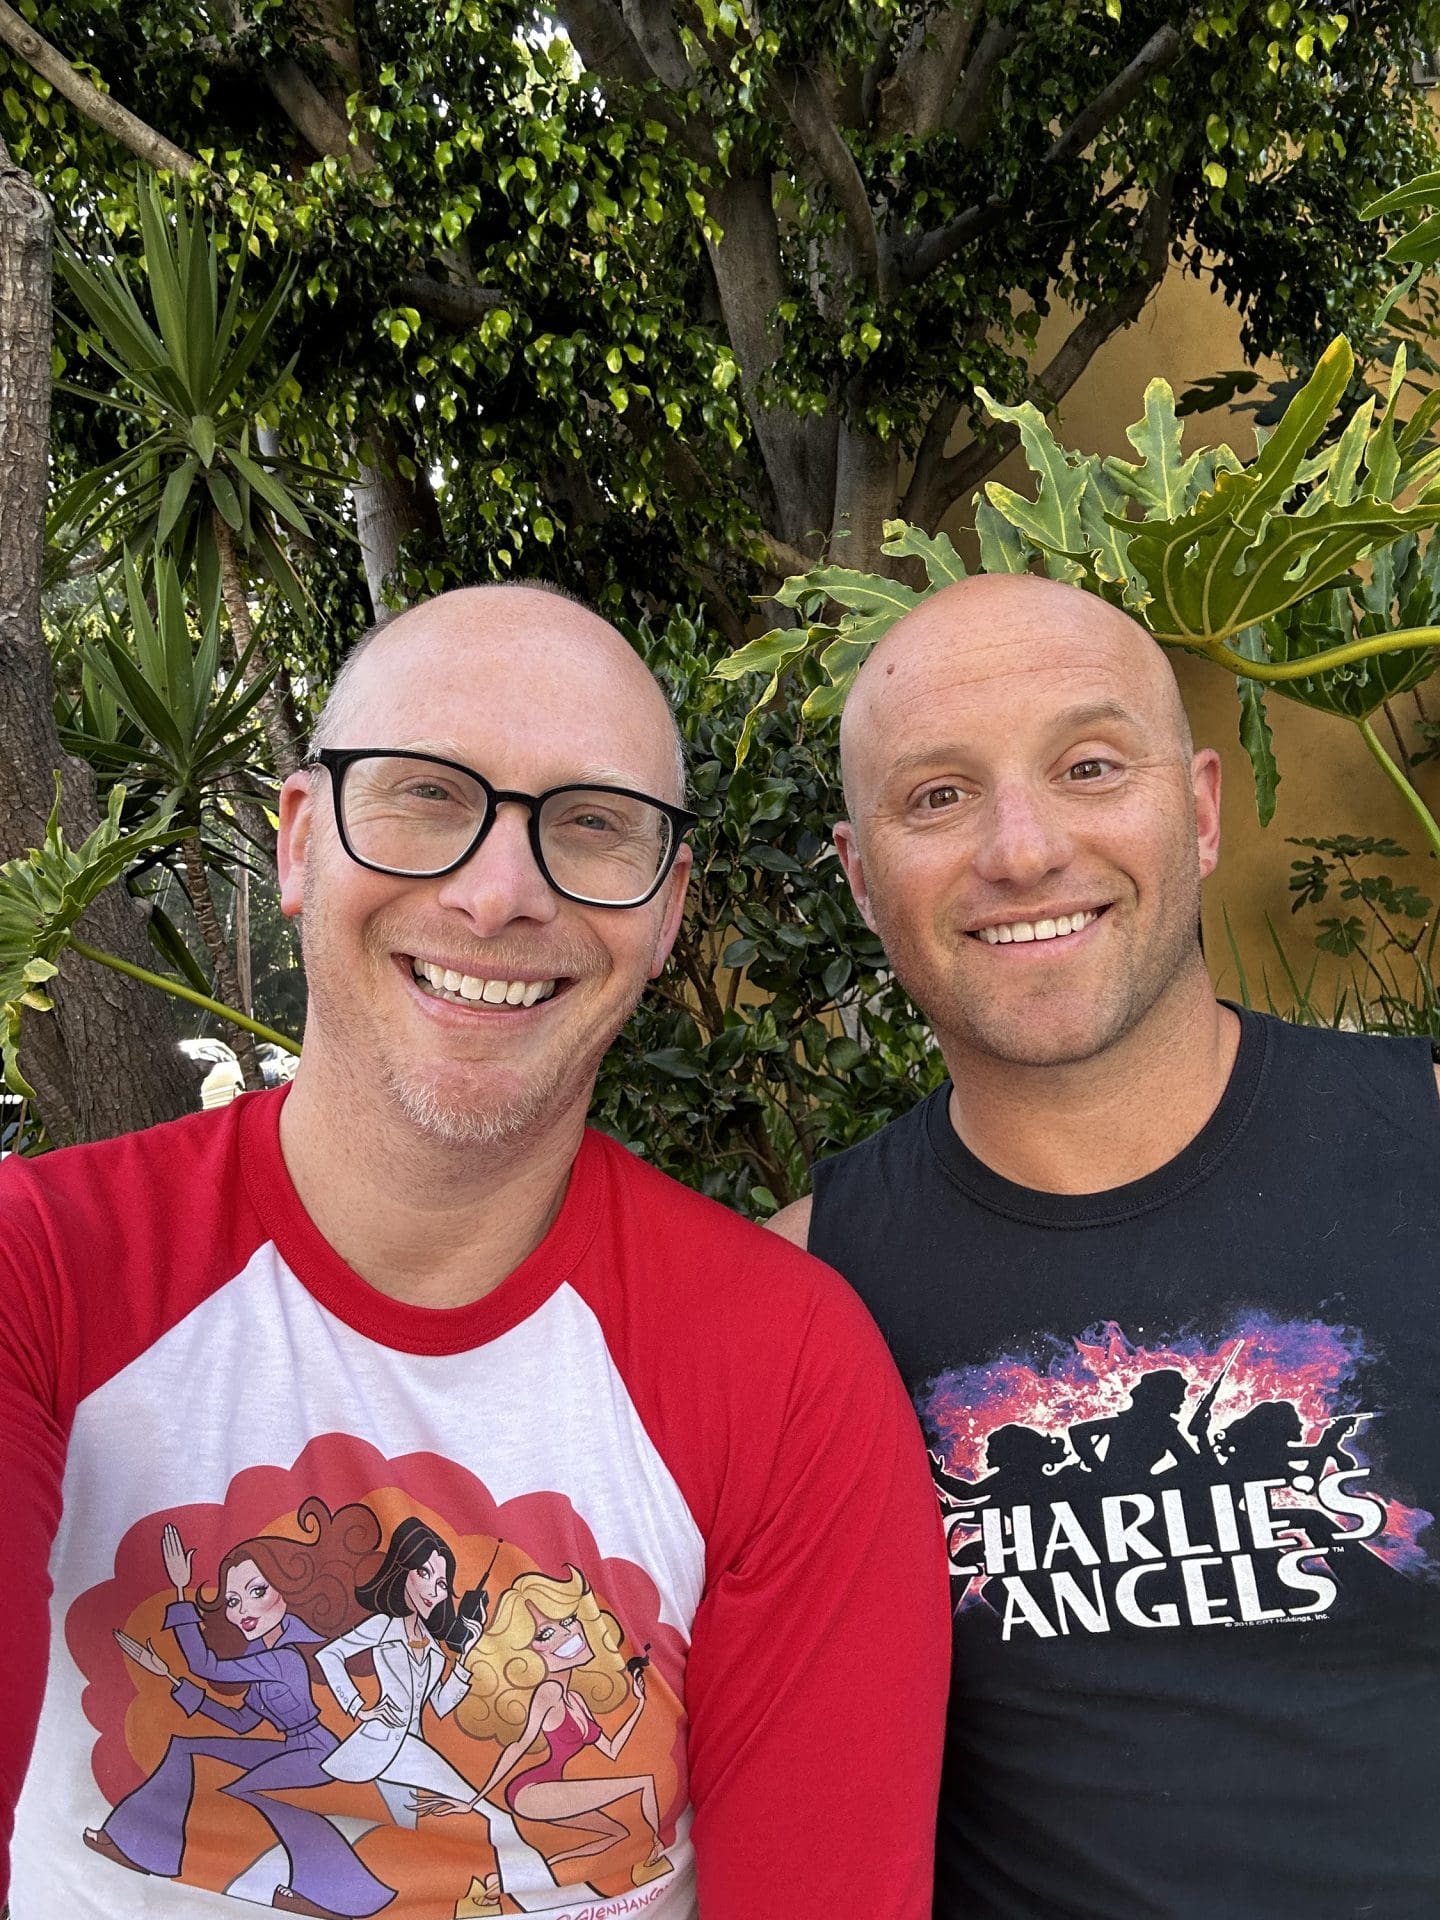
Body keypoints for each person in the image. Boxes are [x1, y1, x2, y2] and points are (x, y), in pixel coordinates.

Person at [0, 584, 949, 1920]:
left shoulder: (783, 1370)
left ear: (666, 913)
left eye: (592, 823)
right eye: (426, 796)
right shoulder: (42, 1269)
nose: (500, 894)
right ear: (299, 841)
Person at [769, 573, 1440, 1918]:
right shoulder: (798, 1299)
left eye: (1088, 766)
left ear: (1198, 811)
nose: (1022, 850)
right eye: (938, 796)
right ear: (862, 879)